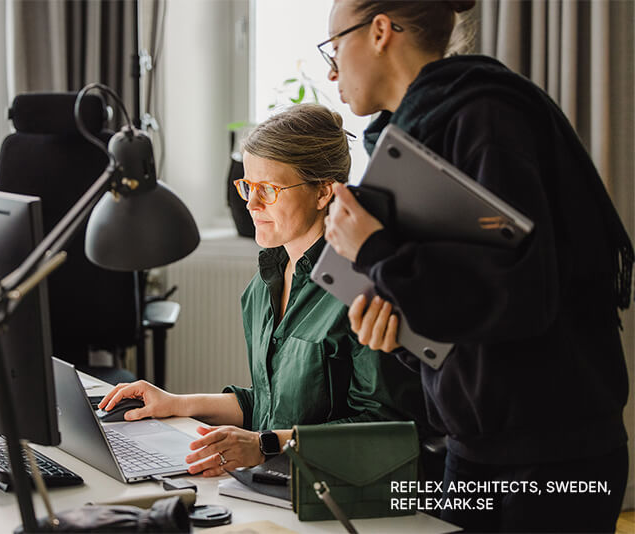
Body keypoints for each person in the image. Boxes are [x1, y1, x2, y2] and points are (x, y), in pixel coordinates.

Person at [320, 1, 633, 532]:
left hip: (551, 459)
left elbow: (520, 294)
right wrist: (397, 333)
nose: (331, 70)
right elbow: (460, 299)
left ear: (379, 32)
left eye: (333, 46)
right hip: (472, 449)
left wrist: (373, 250)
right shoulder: (412, 143)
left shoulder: (486, 118)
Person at [99, 103, 428, 478]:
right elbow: (271, 406)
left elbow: (384, 431)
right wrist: (174, 403)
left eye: (268, 189)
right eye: (247, 186)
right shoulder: (262, 285)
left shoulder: (362, 289)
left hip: (343, 495)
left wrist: (263, 444)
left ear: (323, 193)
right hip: (275, 483)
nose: (252, 205)